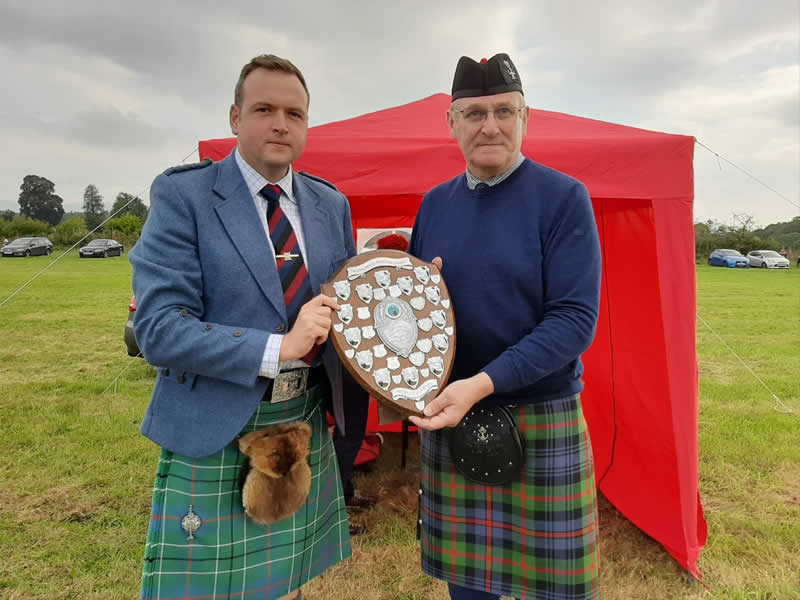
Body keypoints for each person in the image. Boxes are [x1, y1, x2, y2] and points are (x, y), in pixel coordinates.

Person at [130, 54, 359, 600]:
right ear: (235, 118)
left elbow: (352, 304)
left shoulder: (331, 204)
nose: (281, 123)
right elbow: (158, 329)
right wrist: (277, 347)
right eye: (264, 109)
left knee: (287, 583)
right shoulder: (183, 195)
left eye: (294, 113)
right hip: (218, 421)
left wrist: (412, 301)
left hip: (304, 418)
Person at [408, 53, 601, 600]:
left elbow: (574, 321)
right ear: (451, 122)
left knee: (552, 593)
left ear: (525, 117)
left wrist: (481, 384)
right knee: (468, 588)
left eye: (503, 111)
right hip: (453, 411)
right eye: (472, 113)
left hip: (540, 413)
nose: (489, 125)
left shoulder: (564, 199)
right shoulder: (434, 205)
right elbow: (423, 317)